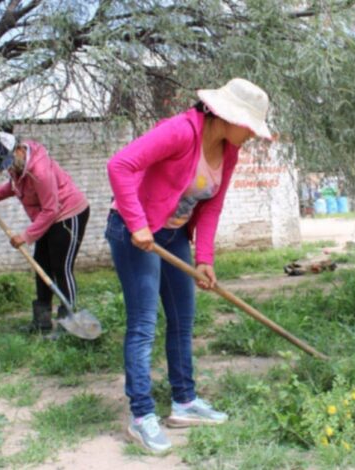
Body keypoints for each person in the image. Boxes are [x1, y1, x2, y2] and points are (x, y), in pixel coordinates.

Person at [106, 78, 273, 453]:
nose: (250, 135)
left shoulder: (229, 151)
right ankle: (141, 415)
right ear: (228, 116)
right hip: (135, 234)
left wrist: (205, 259)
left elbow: (211, 206)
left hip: (172, 235)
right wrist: (137, 224)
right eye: (249, 126)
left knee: (182, 320)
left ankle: (184, 402)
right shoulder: (180, 132)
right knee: (144, 324)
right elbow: (119, 166)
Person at [0, 131, 90, 334]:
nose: (8, 167)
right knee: (41, 265)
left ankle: (68, 322)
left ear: (18, 150)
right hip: (47, 218)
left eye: (9, 161)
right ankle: (41, 322)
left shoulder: (40, 171)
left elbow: (51, 209)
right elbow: (13, 187)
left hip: (68, 215)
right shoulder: (17, 165)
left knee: (61, 267)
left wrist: (26, 236)